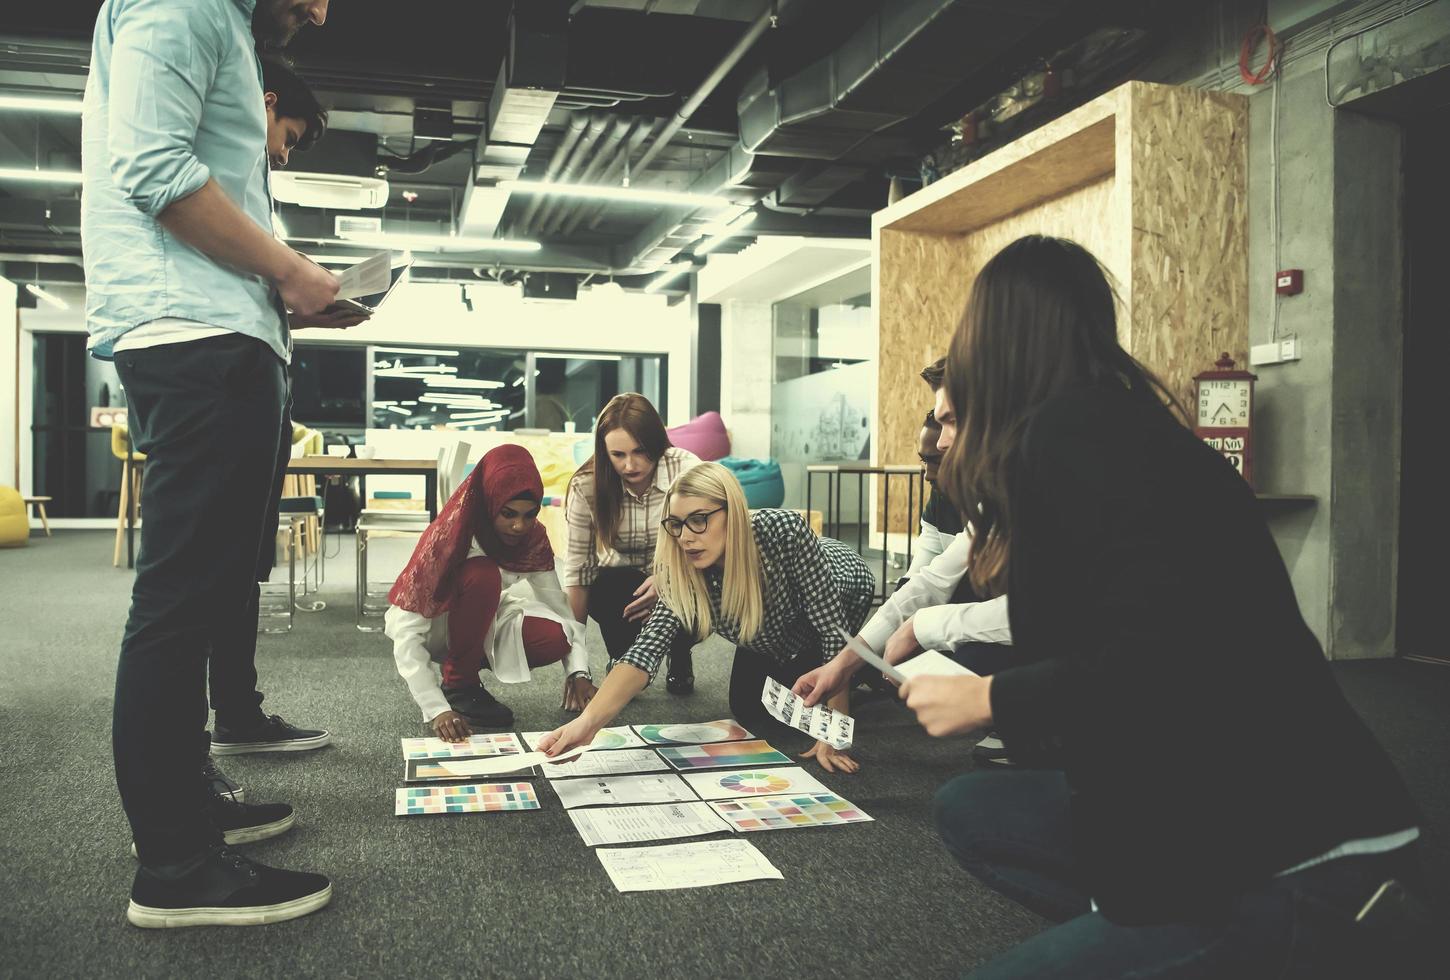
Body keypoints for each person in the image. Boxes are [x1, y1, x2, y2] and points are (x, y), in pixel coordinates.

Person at [850, 235, 1422, 975]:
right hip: (1222, 795)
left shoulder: (1071, 437)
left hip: (1307, 850)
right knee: (974, 808)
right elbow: (1112, 639)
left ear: (999, 341)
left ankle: (1281, 944)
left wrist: (992, 699)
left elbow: (1167, 660)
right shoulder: (1105, 429)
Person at [85, 0, 355, 929]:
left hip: (223, 329)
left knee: (205, 594)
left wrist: (288, 287)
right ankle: (172, 866)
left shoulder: (224, 23)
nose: (318, 11)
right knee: (178, 599)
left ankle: (185, 811)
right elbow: (152, 167)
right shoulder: (187, 1)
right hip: (192, 332)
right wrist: (289, 271)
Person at [542, 463, 875, 774]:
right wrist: (586, 725)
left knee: (816, 698)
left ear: (732, 513)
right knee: (749, 708)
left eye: (699, 519)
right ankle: (846, 673)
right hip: (766, 630)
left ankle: (870, 663)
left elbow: (834, 632)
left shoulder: (782, 531)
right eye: (676, 524)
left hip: (839, 594)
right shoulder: (685, 565)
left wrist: (834, 734)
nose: (686, 536)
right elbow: (643, 654)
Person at [384, 445, 596, 740]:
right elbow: (407, 635)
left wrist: (579, 672)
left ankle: (465, 667)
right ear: (489, 503)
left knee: (556, 637)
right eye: (508, 514)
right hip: (433, 628)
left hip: (480, 622)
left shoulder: (533, 539)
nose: (519, 525)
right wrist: (437, 709)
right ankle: (460, 684)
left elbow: (562, 610)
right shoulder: (451, 536)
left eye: (529, 514)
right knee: (482, 574)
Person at [561, 393, 699, 694]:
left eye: (640, 451)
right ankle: (621, 656)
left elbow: (716, 546)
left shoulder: (687, 470)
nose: (630, 465)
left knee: (703, 585)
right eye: (618, 455)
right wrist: (576, 669)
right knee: (605, 582)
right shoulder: (586, 485)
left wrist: (667, 580)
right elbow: (577, 578)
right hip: (625, 587)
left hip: (684, 577)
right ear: (604, 451)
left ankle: (679, 652)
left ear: (657, 443)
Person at [899, 359, 964, 583]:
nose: (942, 443)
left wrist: (924, 619)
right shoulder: (941, 499)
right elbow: (923, 579)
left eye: (953, 422)